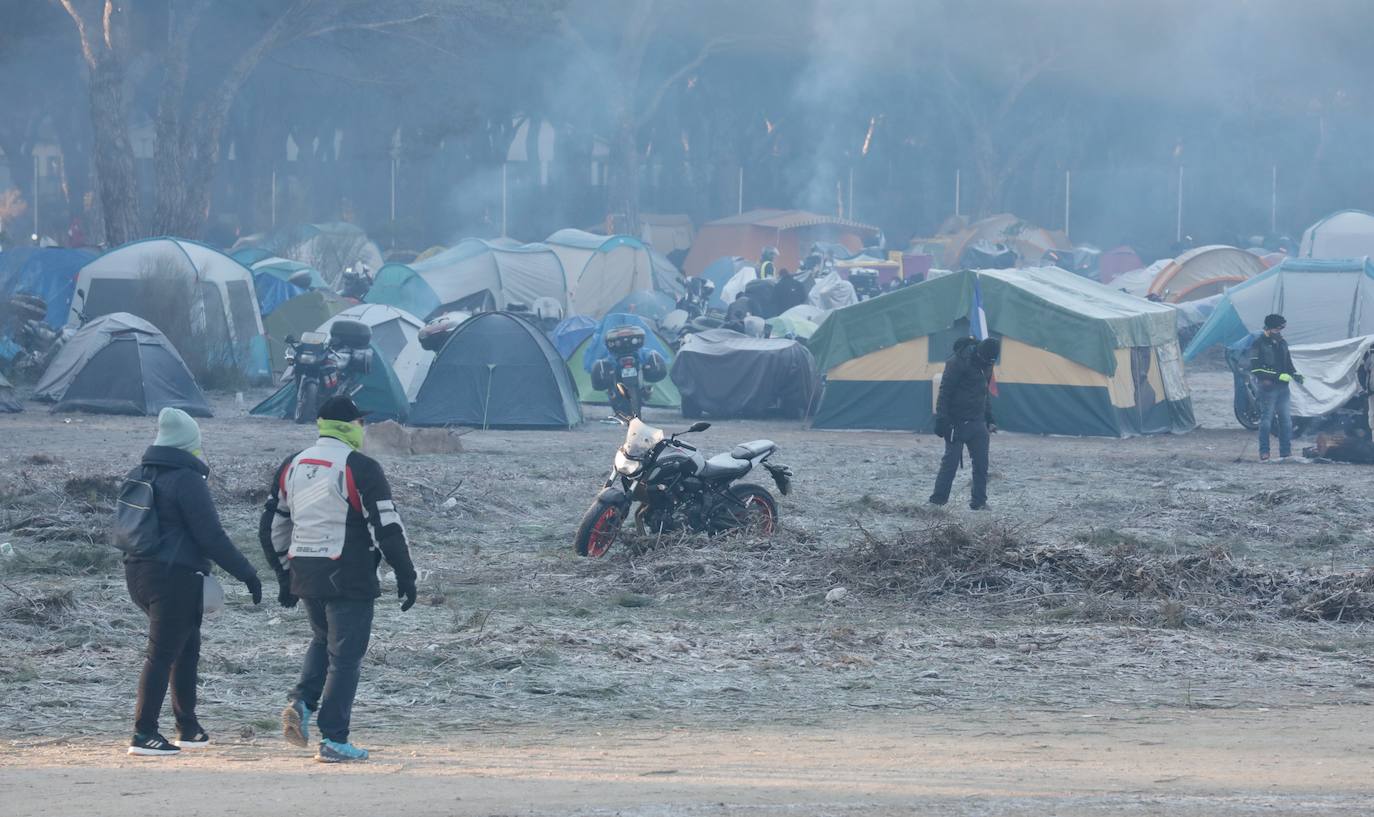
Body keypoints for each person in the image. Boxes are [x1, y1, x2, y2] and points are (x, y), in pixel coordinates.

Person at [261, 396, 417, 763]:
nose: (363, 429)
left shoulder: (293, 464)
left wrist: (283, 575)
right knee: (345, 658)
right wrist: (406, 574)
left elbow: (272, 527)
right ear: (350, 427)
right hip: (349, 575)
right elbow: (387, 529)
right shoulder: (361, 467)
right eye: (360, 423)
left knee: (323, 640)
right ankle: (334, 739)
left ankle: (301, 703)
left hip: (305, 571)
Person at [125, 408, 262, 756]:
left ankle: (188, 726)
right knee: (162, 655)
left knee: (185, 650)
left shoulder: (140, 474)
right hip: (175, 578)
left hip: (139, 573)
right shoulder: (186, 480)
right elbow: (211, 537)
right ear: (190, 444)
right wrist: (248, 573)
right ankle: (144, 734)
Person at [929, 337, 999, 510]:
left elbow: (985, 393)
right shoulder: (957, 362)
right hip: (956, 423)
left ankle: (979, 502)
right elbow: (945, 391)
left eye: (991, 361)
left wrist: (989, 418)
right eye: (986, 360)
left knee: (982, 465)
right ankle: (937, 501)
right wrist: (942, 420)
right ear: (979, 353)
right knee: (950, 464)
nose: (988, 363)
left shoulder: (988, 364)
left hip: (978, 422)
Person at [1250, 313, 1303, 461]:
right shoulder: (1258, 343)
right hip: (1267, 388)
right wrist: (1276, 376)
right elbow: (1255, 369)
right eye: (1277, 329)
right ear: (1269, 328)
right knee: (1266, 421)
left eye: (1281, 329)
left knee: (1286, 421)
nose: (1279, 332)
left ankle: (1285, 452)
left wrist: (1295, 374)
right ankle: (1264, 451)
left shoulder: (1282, 342)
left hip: (1283, 389)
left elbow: (1288, 363)